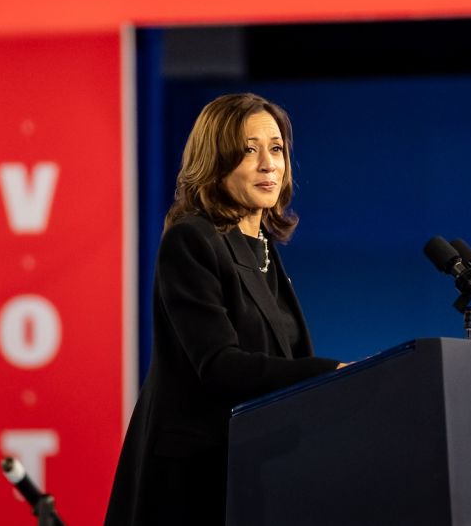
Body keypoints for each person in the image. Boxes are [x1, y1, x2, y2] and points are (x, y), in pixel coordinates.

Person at [104, 93, 344, 526]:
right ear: (215, 161)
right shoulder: (191, 241)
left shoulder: (264, 249)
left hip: (255, 471)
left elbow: (281, 363)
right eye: (249, 150)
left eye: (276, 148)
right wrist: (334, 373)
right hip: (194, 482)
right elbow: (220, 366)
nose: (269, 164)